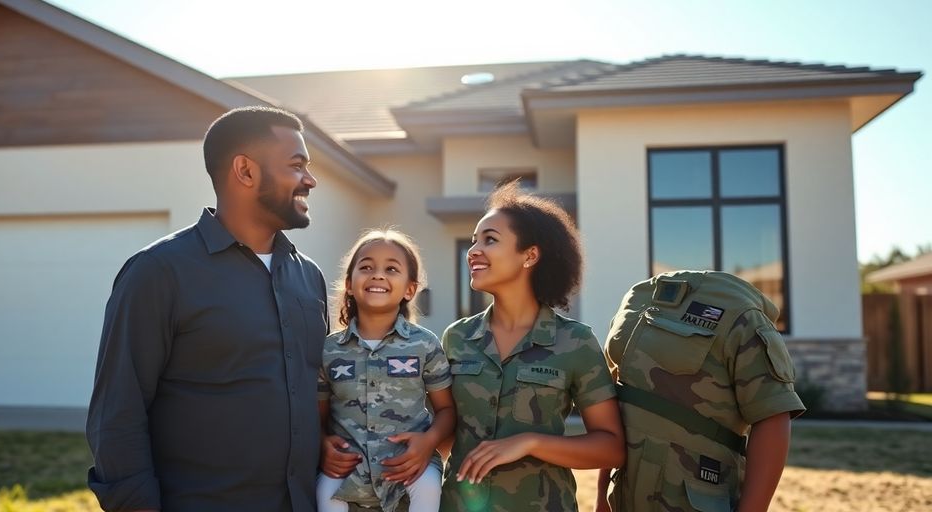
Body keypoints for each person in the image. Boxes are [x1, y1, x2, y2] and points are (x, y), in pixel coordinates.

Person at [85, 106, 328, 512]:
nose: (310, 179)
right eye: (296, 165)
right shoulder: (158, 272)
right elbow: (117, 415)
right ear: (246, 171)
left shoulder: (309, 277)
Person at [439, 181, 626, 512]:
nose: (473, 251)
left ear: (530, 255)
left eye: (490, 240)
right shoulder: (456, 338)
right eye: (473, 241)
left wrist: (530, 442)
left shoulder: (576, 342)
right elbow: (443, 433)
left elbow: (611, 448)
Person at [597, 270, 806, 512]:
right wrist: (602, 496)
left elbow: (773, 415)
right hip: (624, 496)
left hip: (693, 499)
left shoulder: (743, 316)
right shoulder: (637, 299)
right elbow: (616, 403)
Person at [317, 229, 456, 512]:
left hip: (409, 464)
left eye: (391, 268)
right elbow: (317, 416)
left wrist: (428, 443)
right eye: (366, 267)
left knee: (429, 487)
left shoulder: (425, 345)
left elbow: (447, 411)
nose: (378, 275)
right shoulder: (328, 351)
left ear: (409, 289)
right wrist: (322, 445)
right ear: (350, 285)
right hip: (348, 466)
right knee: (324, 492)